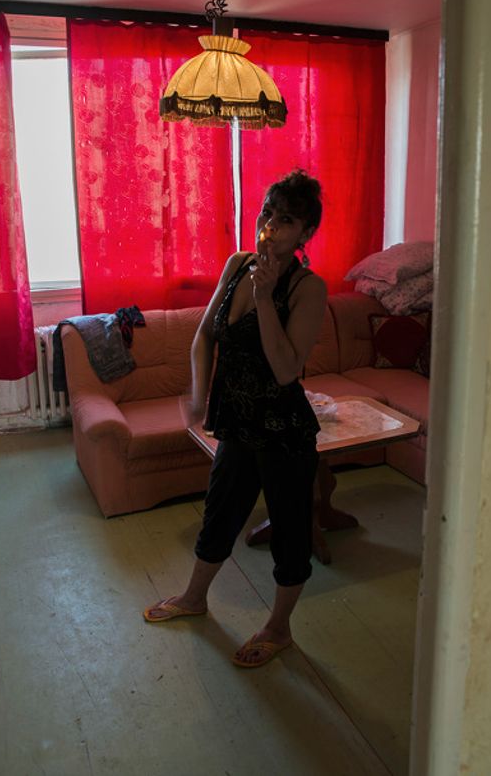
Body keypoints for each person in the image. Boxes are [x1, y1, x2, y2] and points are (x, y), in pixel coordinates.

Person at [143, 169, 327, 668]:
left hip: (284, 431)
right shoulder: (237, 263)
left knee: (290, 531)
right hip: (236, 423)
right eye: (268, 213)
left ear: (305, 232)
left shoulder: (308, 287)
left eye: (285, 220)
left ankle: (279, 628)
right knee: (219, 512)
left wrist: (265, 299)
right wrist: (200, 397)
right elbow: (204, 335)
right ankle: (194, 598)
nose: (270, 226)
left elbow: (286, 370)